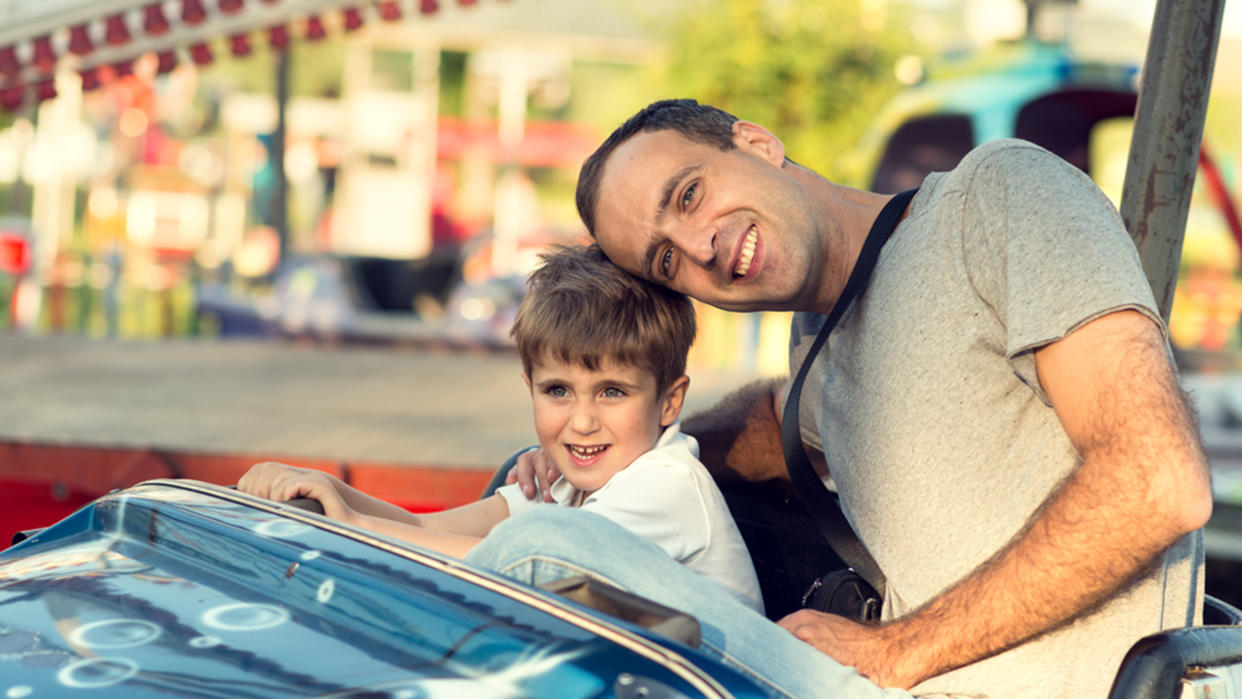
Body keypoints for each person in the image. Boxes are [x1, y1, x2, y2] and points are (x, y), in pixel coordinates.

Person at [498, 98, 1213, 697]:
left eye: (689, 194)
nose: (700, 246)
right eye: (666, 259)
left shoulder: (997, 198)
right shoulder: (816, 345)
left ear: (757, 143)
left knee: (541, 547)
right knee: (549, 561)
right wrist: (602, 446)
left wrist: (895, 650)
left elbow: (1157, 480)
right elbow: (778, 419)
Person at [237, 243, 764, 614]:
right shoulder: (567, 480)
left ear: (670, 401)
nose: (582, 422)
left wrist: (355, 528)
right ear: (529, 384)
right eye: (558, 391)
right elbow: (427, 531)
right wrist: (326, 492)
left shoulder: (665, 486)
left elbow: (514, 563)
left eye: (612, 392)